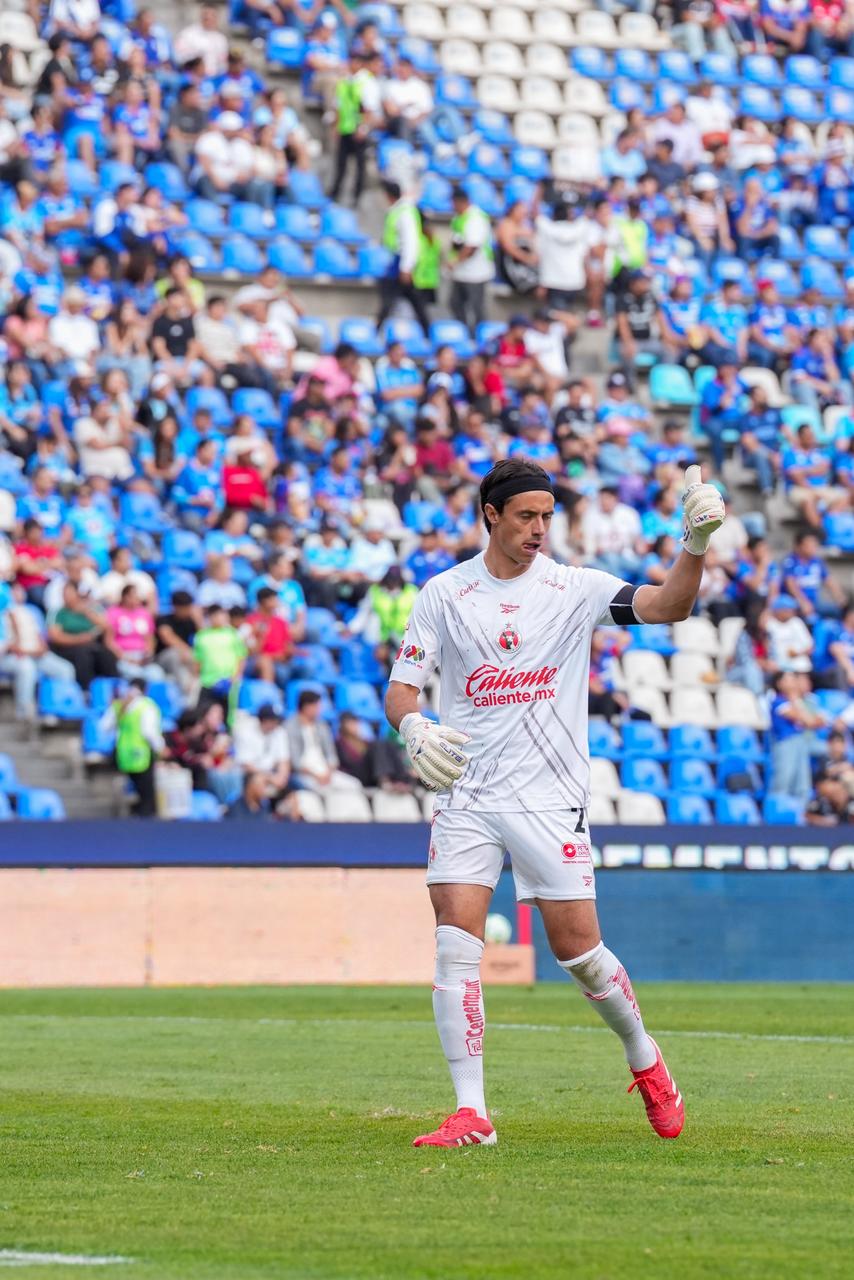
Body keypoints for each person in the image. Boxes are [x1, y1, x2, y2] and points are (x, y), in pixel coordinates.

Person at [385, 456, 726, 1148]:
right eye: (526, 517)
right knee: (455, 941)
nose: (540, 529)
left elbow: (669, 606)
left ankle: (645, 1056)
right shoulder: (444, 594)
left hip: (550, 796)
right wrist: (412, 725)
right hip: (468, 790)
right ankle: (472, 1113)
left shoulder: (576, 588)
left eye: (547, 516)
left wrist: (693, 546)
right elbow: (402, 687)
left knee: (580, 952)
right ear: (491, 516)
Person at [99, 678, 164, 818]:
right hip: (142, 754)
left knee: (133, 786)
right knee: (146, 792)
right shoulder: (147, 706)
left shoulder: (119, 705)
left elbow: (104, 727)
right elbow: (149, 732)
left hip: (123, 753)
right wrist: (160, 747)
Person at [375, 180, 431, 338]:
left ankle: (377, 331)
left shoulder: (404, 212)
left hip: (401, 263)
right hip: (397, 262)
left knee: (390, 300)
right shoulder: (399, 210)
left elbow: (410, 240)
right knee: (413, 302)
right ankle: (427, 333)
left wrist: (406, 267)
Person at [448, 186, 494, 334]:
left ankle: (478, 336)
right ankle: (464, 333)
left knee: (476, 307)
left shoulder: (476, 217)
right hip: (461, 273)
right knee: (455, 303)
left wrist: (455, 261)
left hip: (476, 272)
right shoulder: (458, 217)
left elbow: (472, 246)